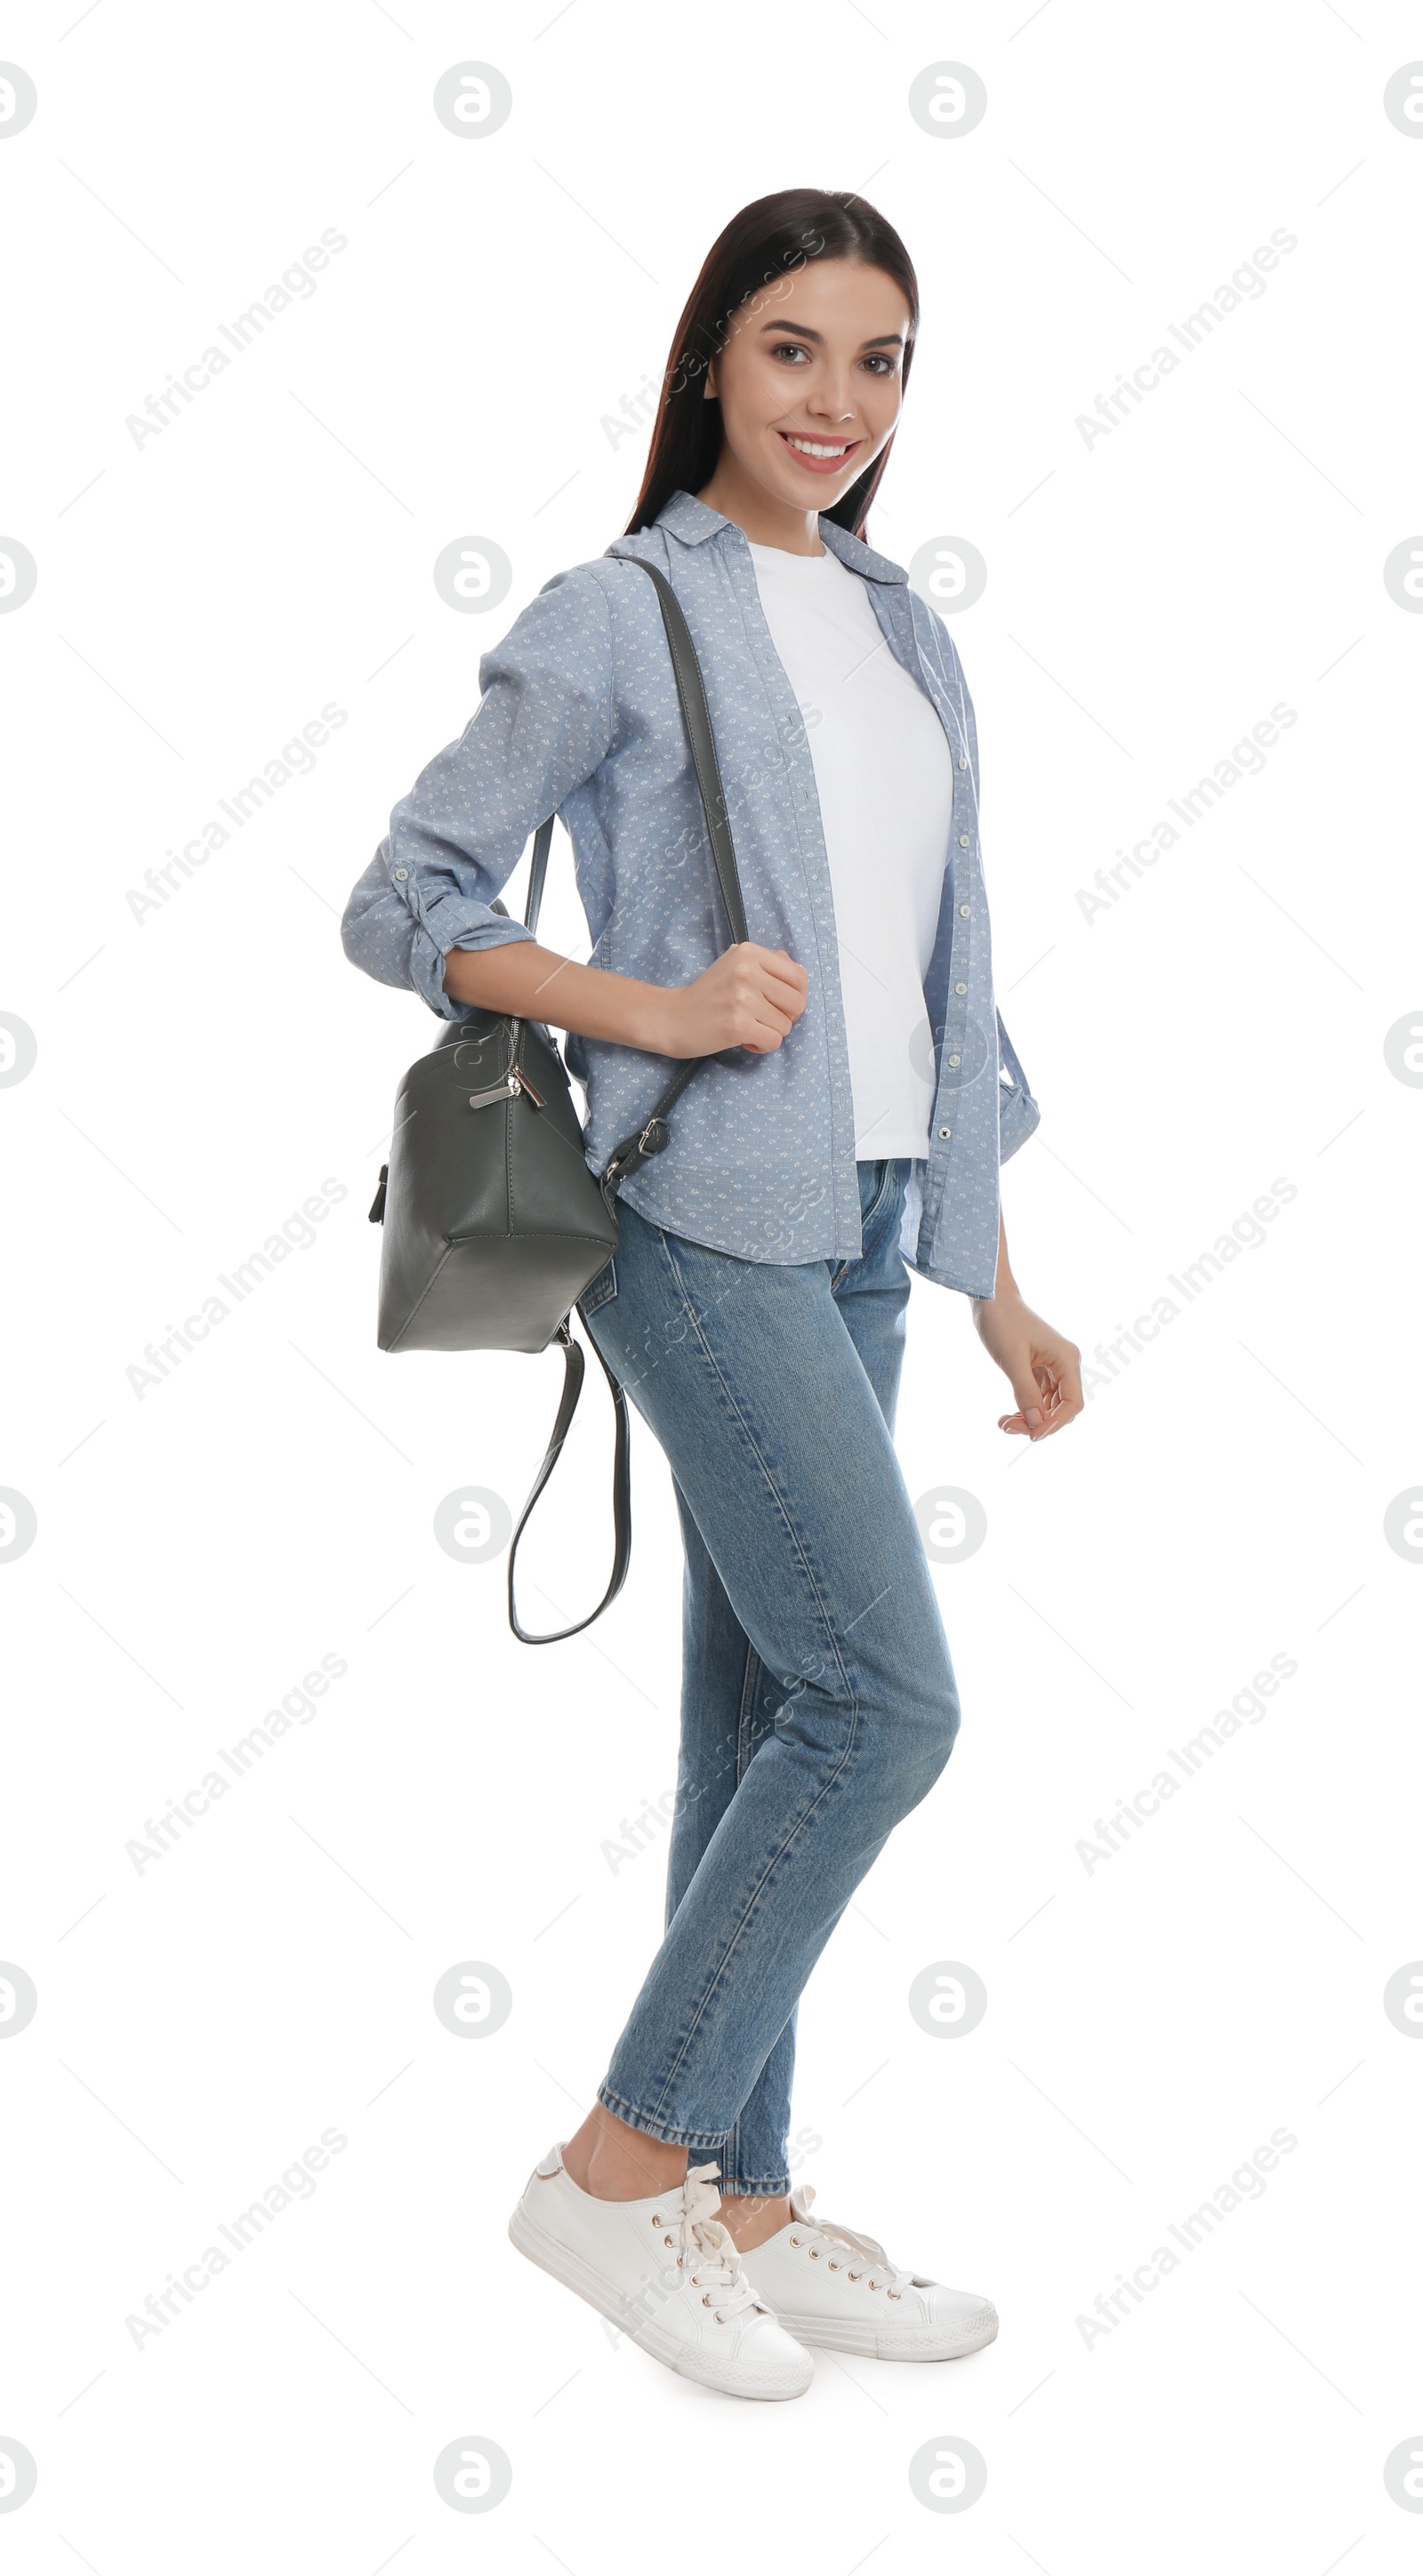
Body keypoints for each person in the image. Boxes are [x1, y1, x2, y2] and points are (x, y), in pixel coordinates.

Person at [342, 188, 1083, 2402]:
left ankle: (736, 2208)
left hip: (865, 1217)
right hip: (691, 1211)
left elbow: (943, 973)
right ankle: (612, 2161)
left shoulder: (903, 627)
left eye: (877, 361)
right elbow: (407, 898)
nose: (835, 404)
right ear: (705, 365)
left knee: (763, 1718)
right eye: (790, 351)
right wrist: (640, 1006)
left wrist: (992, 1275)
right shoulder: (615, 612)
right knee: (887, 1703)